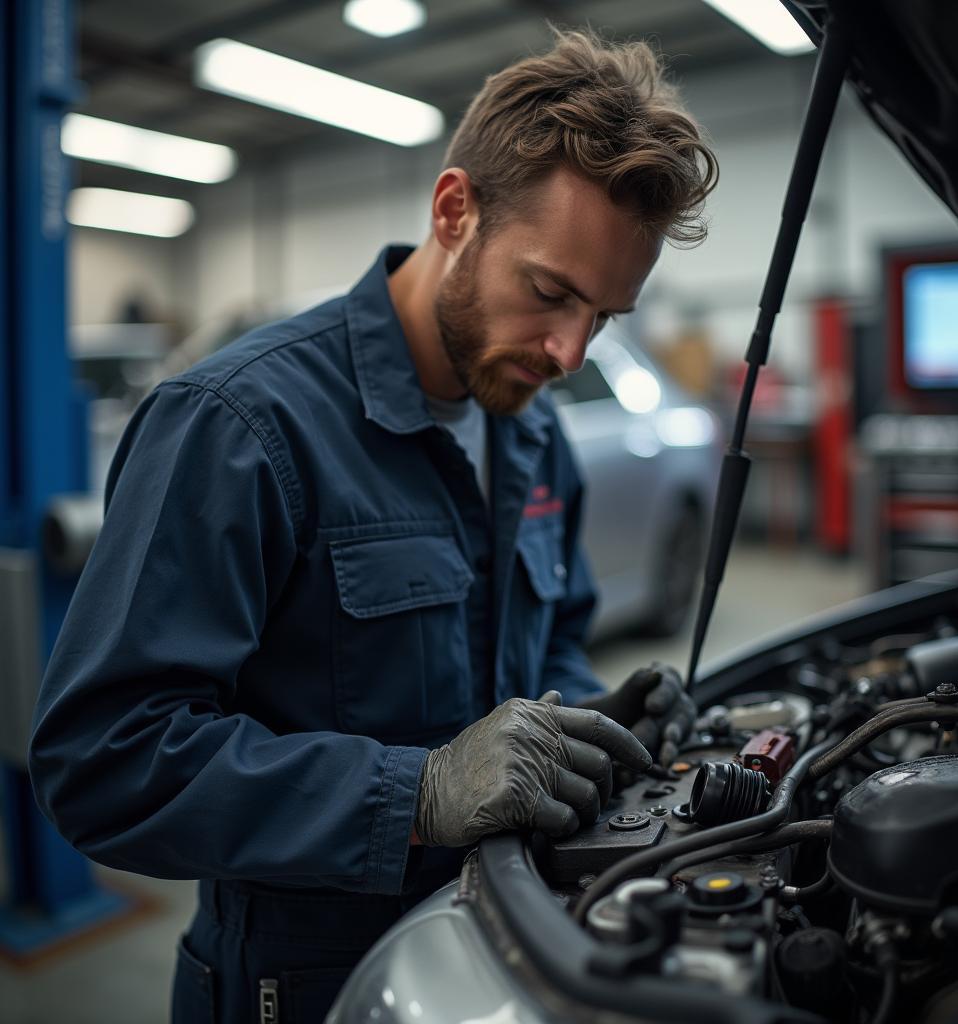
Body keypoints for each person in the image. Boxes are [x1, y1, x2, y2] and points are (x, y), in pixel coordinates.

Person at [29, 28, 717, 1024]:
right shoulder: (238, 427)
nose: (570, 350)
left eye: (604, 316)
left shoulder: (532, 440)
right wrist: (420, 790)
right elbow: (104, 761)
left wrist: (590, 722)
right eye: (551, 293)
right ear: (454, 212)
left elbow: (545, 639)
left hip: (494, 957)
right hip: (301, 989)